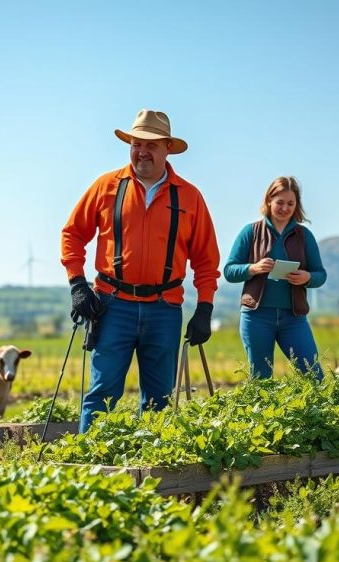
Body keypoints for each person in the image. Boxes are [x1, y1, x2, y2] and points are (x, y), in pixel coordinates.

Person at [61, 109, 220, 432]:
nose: (141, 151)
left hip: (165, 310)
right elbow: (72, 234)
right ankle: (90, 471)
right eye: (135, 143)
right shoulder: (106, 186)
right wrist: (78, 284)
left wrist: (205, 307)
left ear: (167, 149)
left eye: (151, 144)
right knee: (102, 395)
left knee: (160, 400)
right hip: (111, 306)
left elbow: (206, 260)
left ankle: (153, 476)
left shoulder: (190, 197)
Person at [223, 176, 326, 380]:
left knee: (315, 376)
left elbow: (320, 275)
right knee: (261, 379)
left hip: (294, 319)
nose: (285, 208)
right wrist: (253, 268)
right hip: (256, 316)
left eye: (290, 203)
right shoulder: (250, 232)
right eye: (280, 202)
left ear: (297, 205)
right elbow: (229, 271)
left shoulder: (304, 236)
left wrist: (307, 277)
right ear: (268, 201)